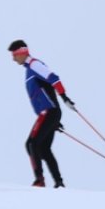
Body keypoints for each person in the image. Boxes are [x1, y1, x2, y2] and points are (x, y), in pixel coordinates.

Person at [9, 39, 72, 188]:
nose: (13, 59)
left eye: (14, 55)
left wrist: (64, 97)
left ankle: (39, 181)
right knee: (43, 148)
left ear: (22, 52)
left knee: (31, 144)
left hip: (48, 112)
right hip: (50, 113)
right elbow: (47, 90)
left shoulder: (34, 65)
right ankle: (59, 183)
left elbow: (53, 78)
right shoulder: (29, 69)